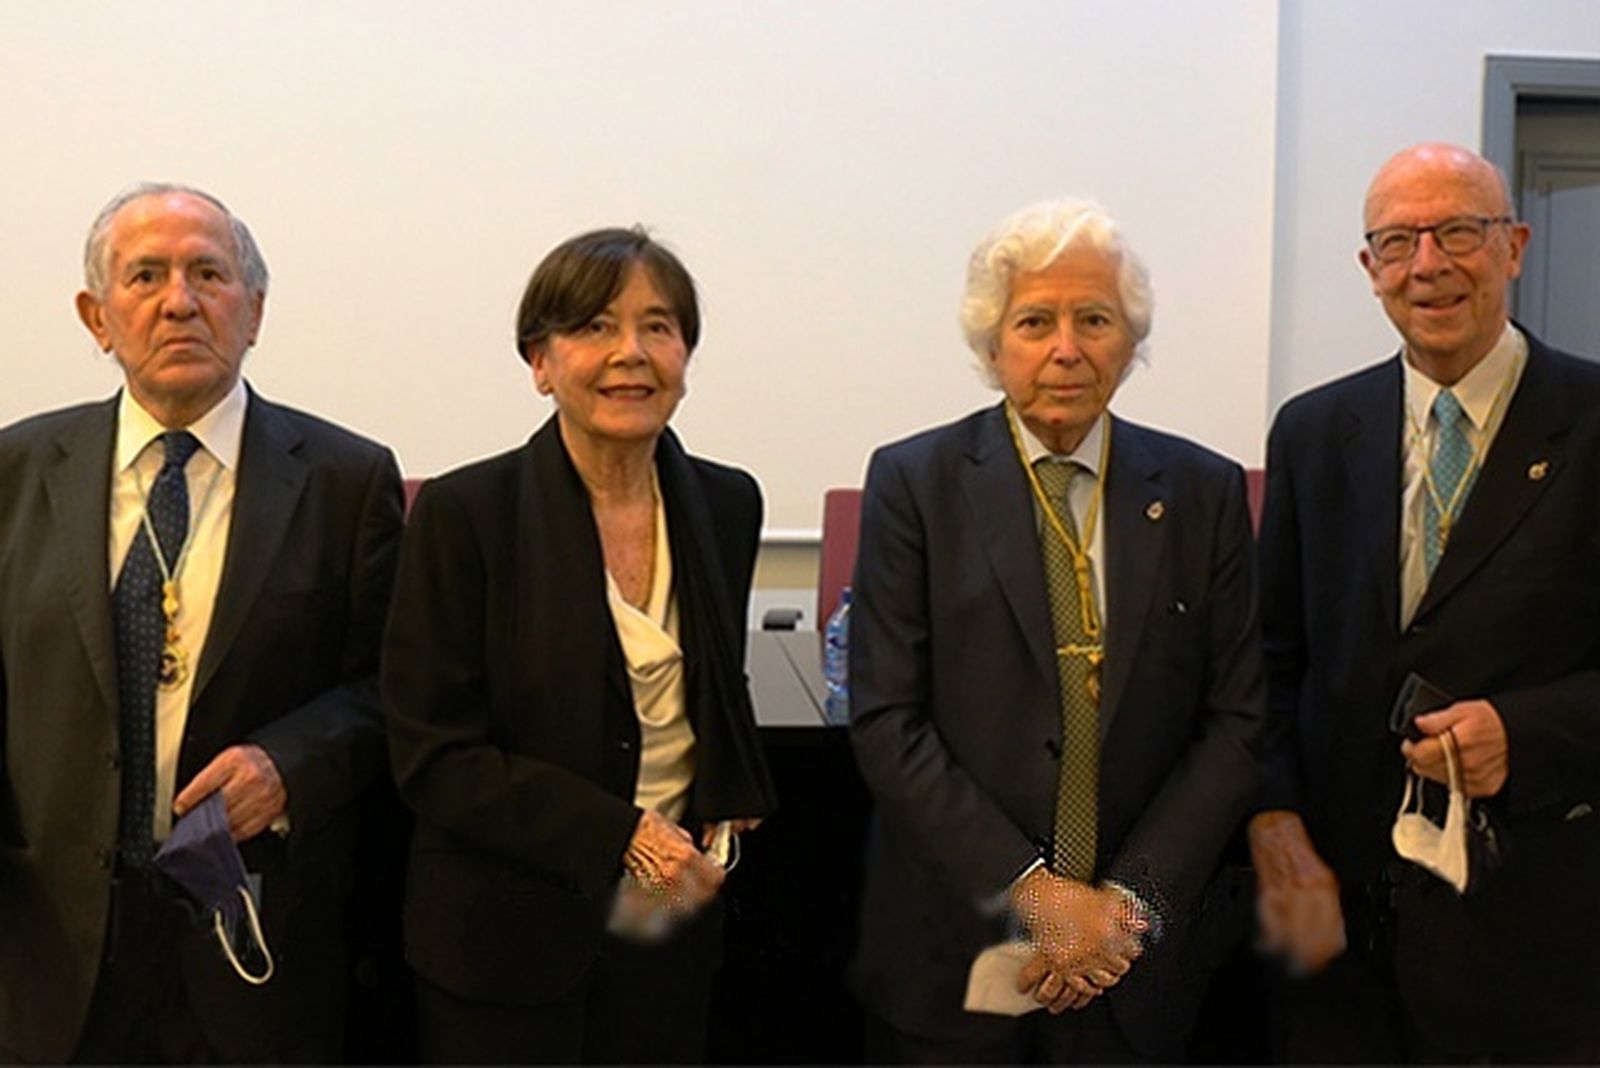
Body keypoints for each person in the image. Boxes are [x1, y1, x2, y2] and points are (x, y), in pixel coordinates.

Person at [848, 198, 1265, 1063]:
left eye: (1095, 319)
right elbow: (888, 721)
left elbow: (1236, 724)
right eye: (1036, 321)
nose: (1066, 348)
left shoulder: (1204, 493)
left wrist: (1124, 910)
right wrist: (1037, 895)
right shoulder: (914, 484)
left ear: (1130, 340)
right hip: (957, 955)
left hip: (1135, 966)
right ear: (993, 344)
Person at [0, 183, 404, 1063]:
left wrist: (288, 766)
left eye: (208, 274)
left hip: (252, 937)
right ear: (97, 317)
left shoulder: (347, 480)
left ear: (253, 309)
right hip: (51, 950)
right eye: (144, 276)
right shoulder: (16, 470)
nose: (179, 301)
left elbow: (391, 691)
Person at [384, 226, 777, 1064]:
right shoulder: (465, 516)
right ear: (540, 362)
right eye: (594, 326)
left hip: (665, 923)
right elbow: (434, 757)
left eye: (658, 326)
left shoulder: (727, 502)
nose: (630, 353)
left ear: (685, 357)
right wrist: (624, 837)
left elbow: (710, 689)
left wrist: (724, 799)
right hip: (504, 939)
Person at [1253, 141, 1600, 1062]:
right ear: (1370, 270)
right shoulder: (1315, 431)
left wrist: (1525, 734)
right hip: (1337, 934)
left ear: (1514, 245)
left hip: (1533, 941)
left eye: (1458, 231)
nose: (1430, 265)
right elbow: (1273, 661)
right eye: (1399, 241)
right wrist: (1276, 819)